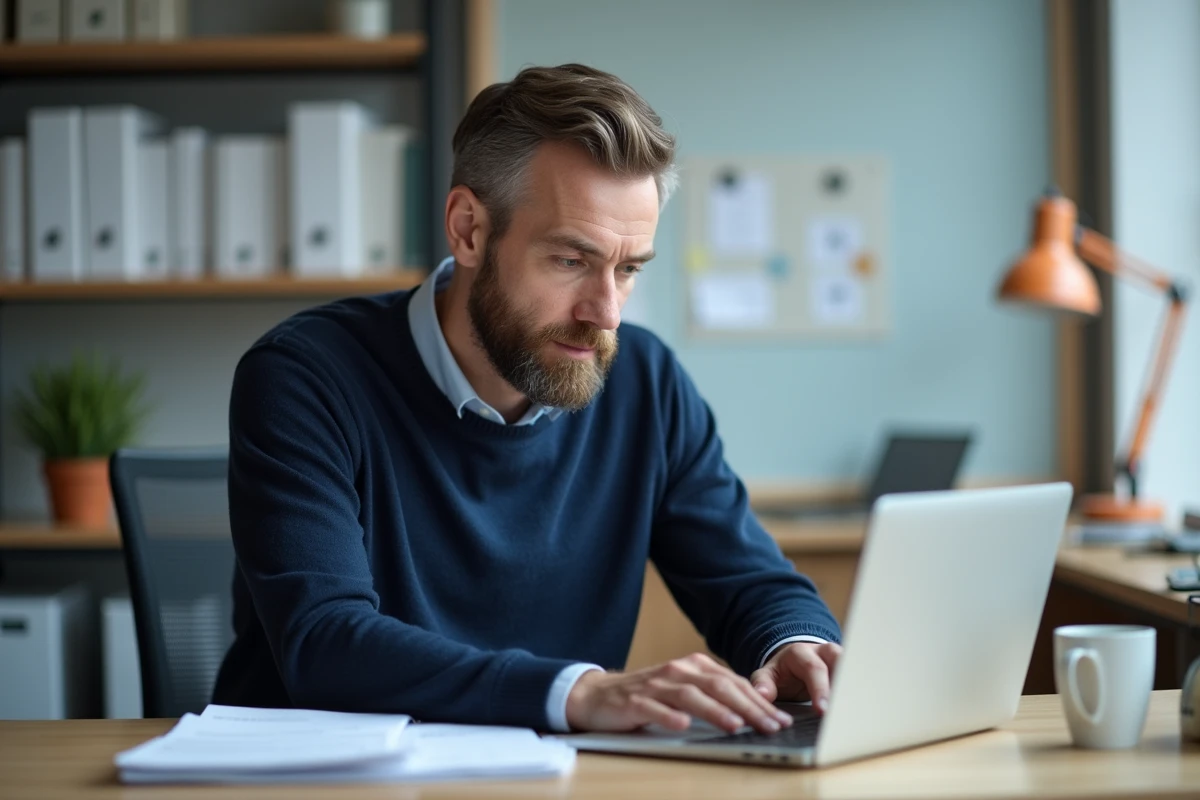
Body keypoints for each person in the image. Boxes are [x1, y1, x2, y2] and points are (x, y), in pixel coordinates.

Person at [212, 63, 842, 736]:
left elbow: (748, 580)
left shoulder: (646, 382)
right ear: (469, 230)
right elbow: (324, 641)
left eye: (628, 269)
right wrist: (579, 693)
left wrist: (792, 644)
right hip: (322, 776)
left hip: (548, 777)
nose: (605, 313)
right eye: (571, 261)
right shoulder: (306, 376)